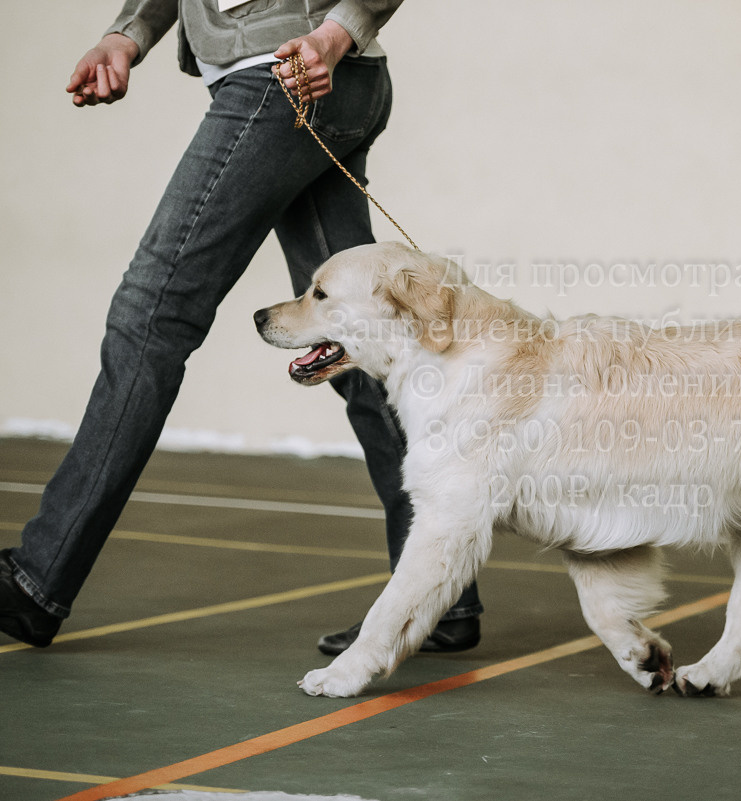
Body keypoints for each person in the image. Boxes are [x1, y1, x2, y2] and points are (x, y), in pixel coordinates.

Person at [0, 0, 481, 655]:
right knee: (362, 347)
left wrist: (337, 33)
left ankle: (37, 577)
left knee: (151, 316)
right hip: (313, 80)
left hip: (281, 78)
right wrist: (128, 34)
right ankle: (439, 591)